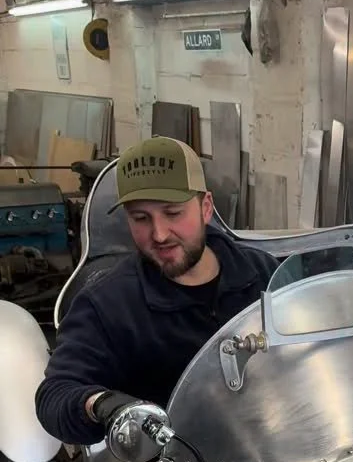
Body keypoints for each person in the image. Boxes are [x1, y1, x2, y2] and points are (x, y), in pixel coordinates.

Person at [35, 137, 277, 446]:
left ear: (205, 208)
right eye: (141, 218)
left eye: (173, 213)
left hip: (274, 450)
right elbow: (55, 394)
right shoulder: (108, 304)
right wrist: (102, 405)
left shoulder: (262, 274)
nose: (159, 234)